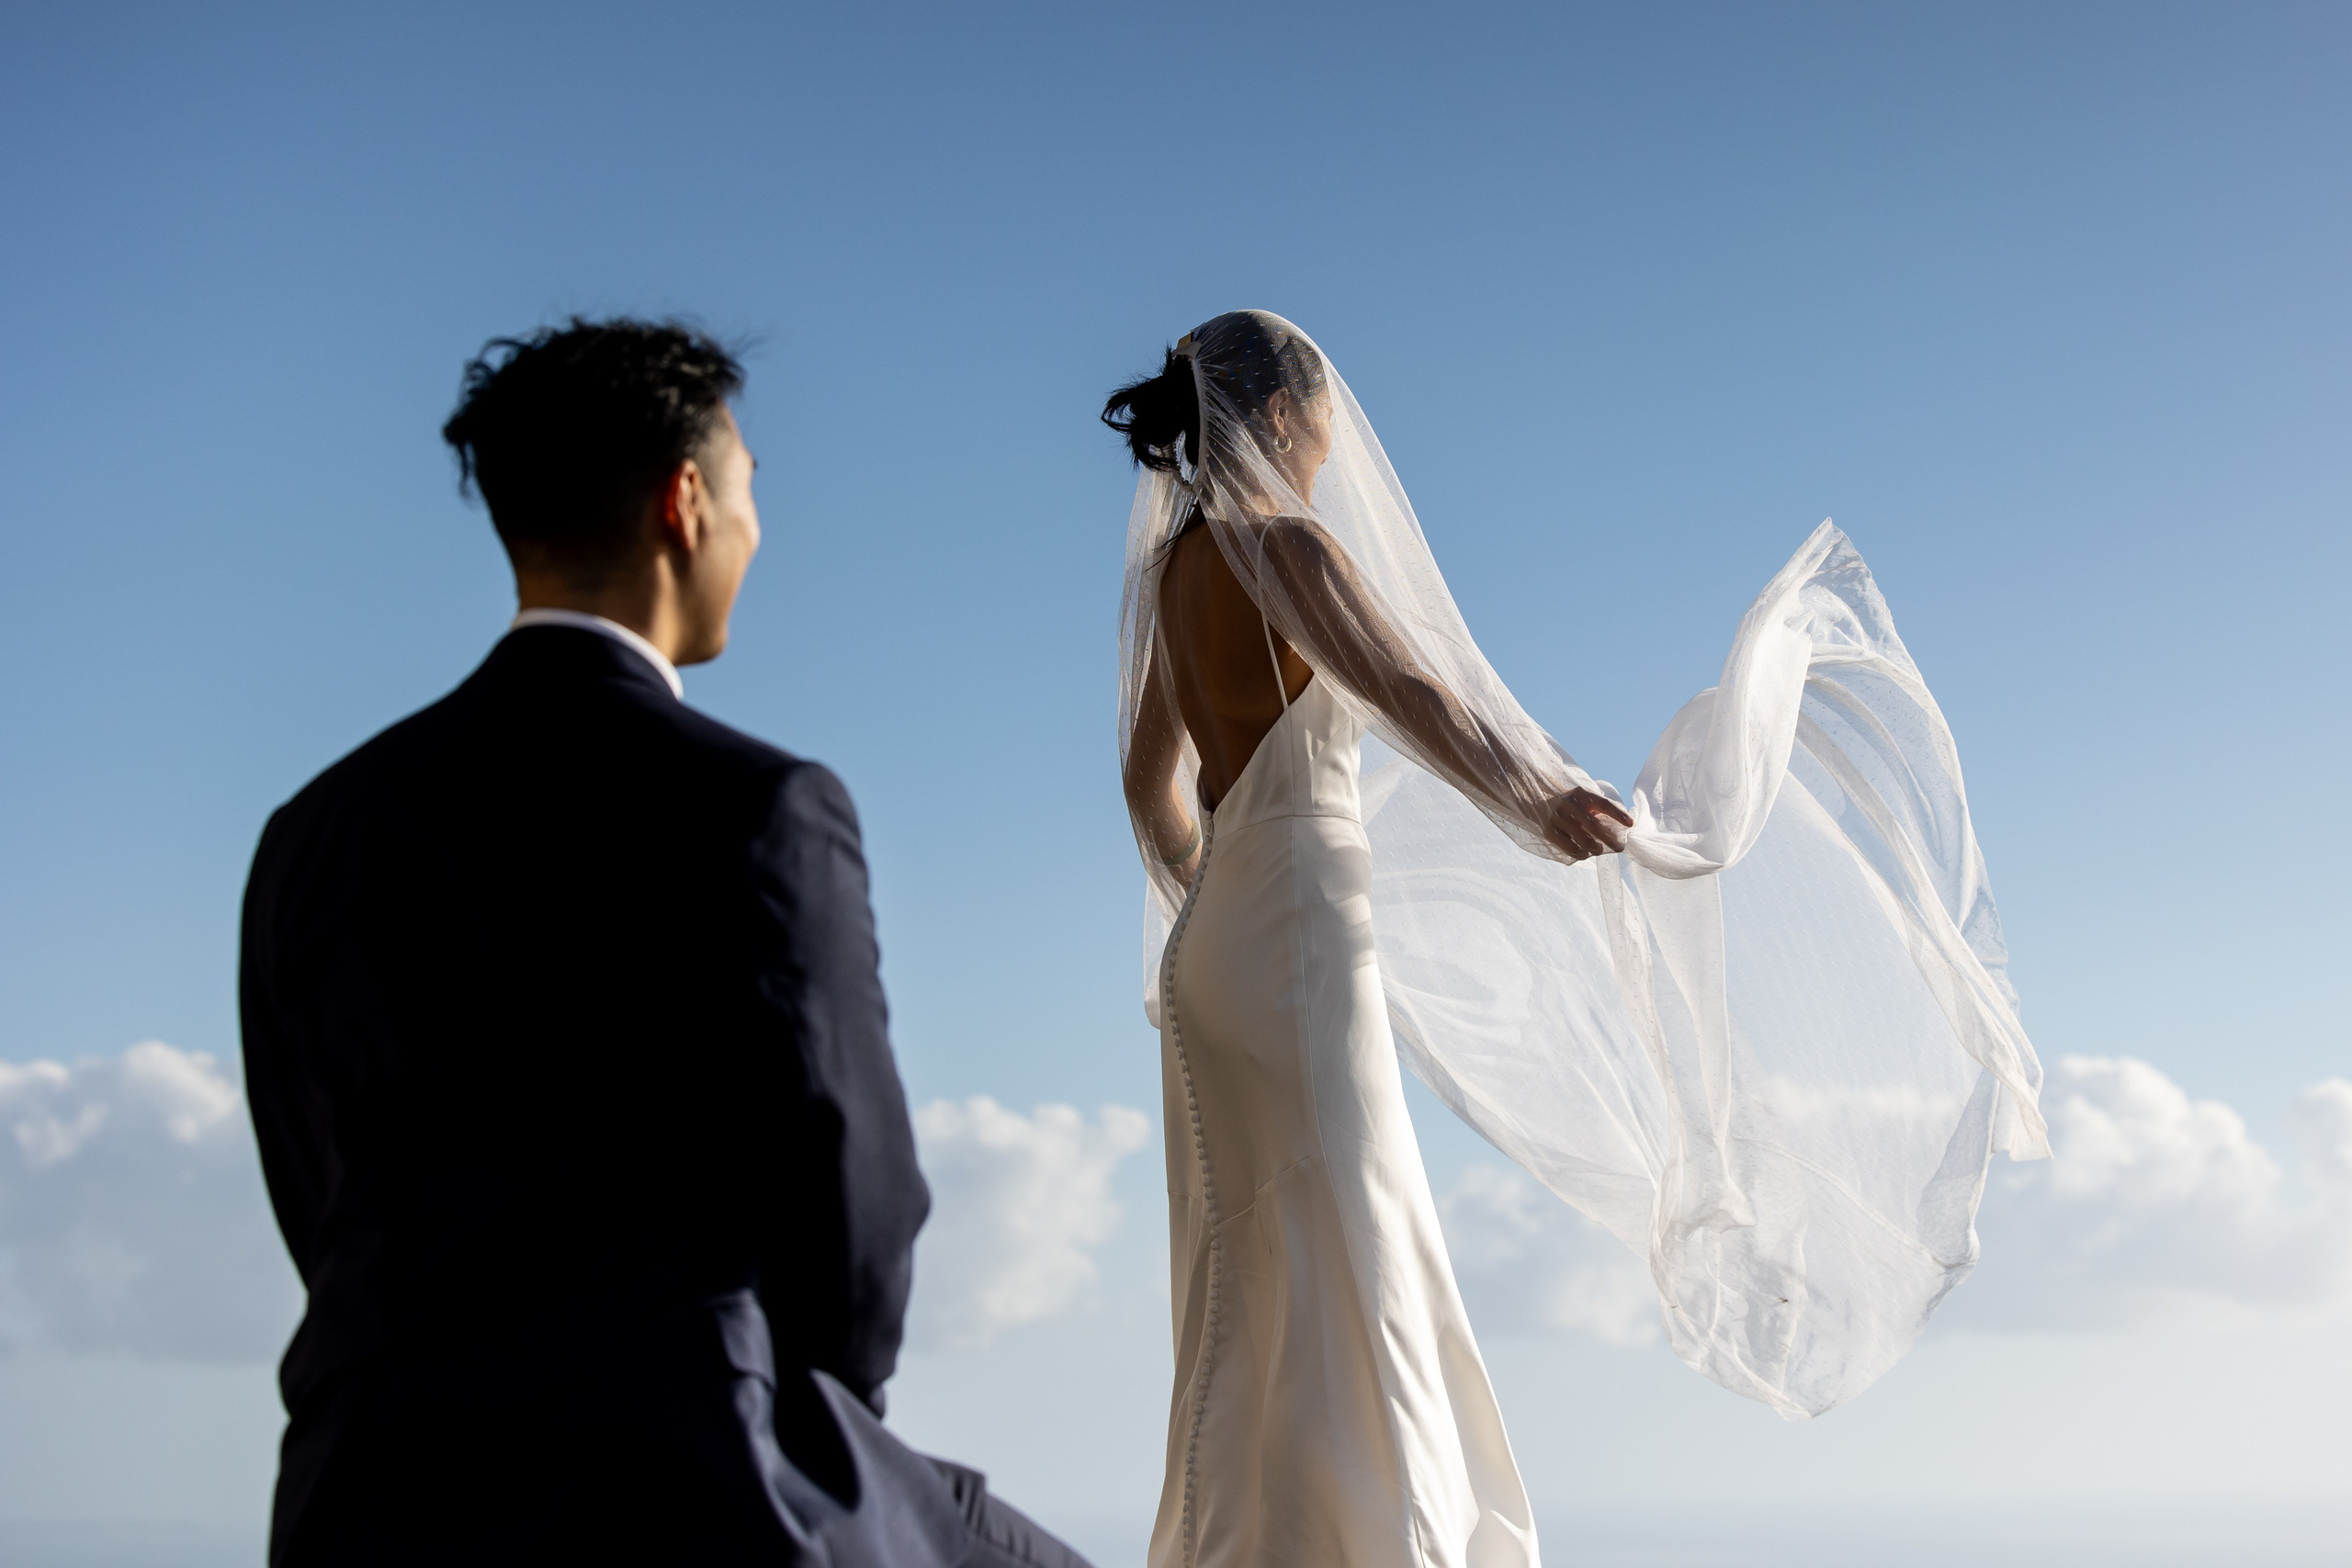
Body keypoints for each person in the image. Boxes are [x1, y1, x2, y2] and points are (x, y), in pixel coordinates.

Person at [1104, 312, 2048, 1568]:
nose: (1336, 450)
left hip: (1221, 946)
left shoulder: (1172, 575)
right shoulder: (1289, 548)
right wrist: (1532, 799)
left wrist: (1214, 888)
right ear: (1281, 417)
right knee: (1347, 1230)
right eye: (1326, 422)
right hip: (1298, 947)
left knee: (1256, 1259)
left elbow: (1144, 784)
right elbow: (1414, 694)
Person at [241, 318, 1091, 1568]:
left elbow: (312, 1190)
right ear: (684, 501)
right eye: (750, 487)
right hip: (687, 1474)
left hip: (361, 1488)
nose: (755, 526)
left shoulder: (313, 830)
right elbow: (857, 1206)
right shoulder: (761, 804)